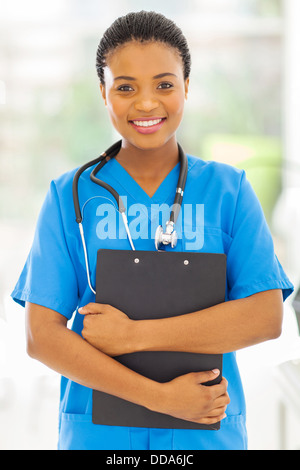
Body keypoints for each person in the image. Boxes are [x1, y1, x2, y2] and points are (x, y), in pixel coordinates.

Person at [11, 11, 293, 451]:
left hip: (205, 438)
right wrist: (162, 399)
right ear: (104, 92)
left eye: (164, 84)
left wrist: (135, 335)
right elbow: (40, 334)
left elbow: (264, 314)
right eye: (125, 87)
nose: (146, 103)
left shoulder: (228, 191)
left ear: (187, 88)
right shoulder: (69, 196)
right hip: (98, 439)